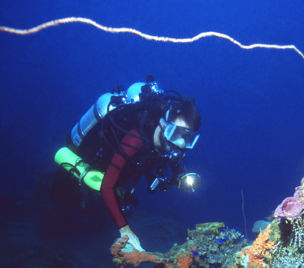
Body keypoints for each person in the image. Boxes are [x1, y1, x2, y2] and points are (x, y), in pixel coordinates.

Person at [50, 75, 201, 251]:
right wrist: (125, 229)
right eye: (175, 134)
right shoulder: (135, 139)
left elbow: (165, 168)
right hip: (96, 160)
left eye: (187, 138)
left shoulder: (171, 146)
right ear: (163, 125)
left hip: (122, 171)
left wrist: (178, 179)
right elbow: (107, 187)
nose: (180, 144)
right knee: (59, 202)